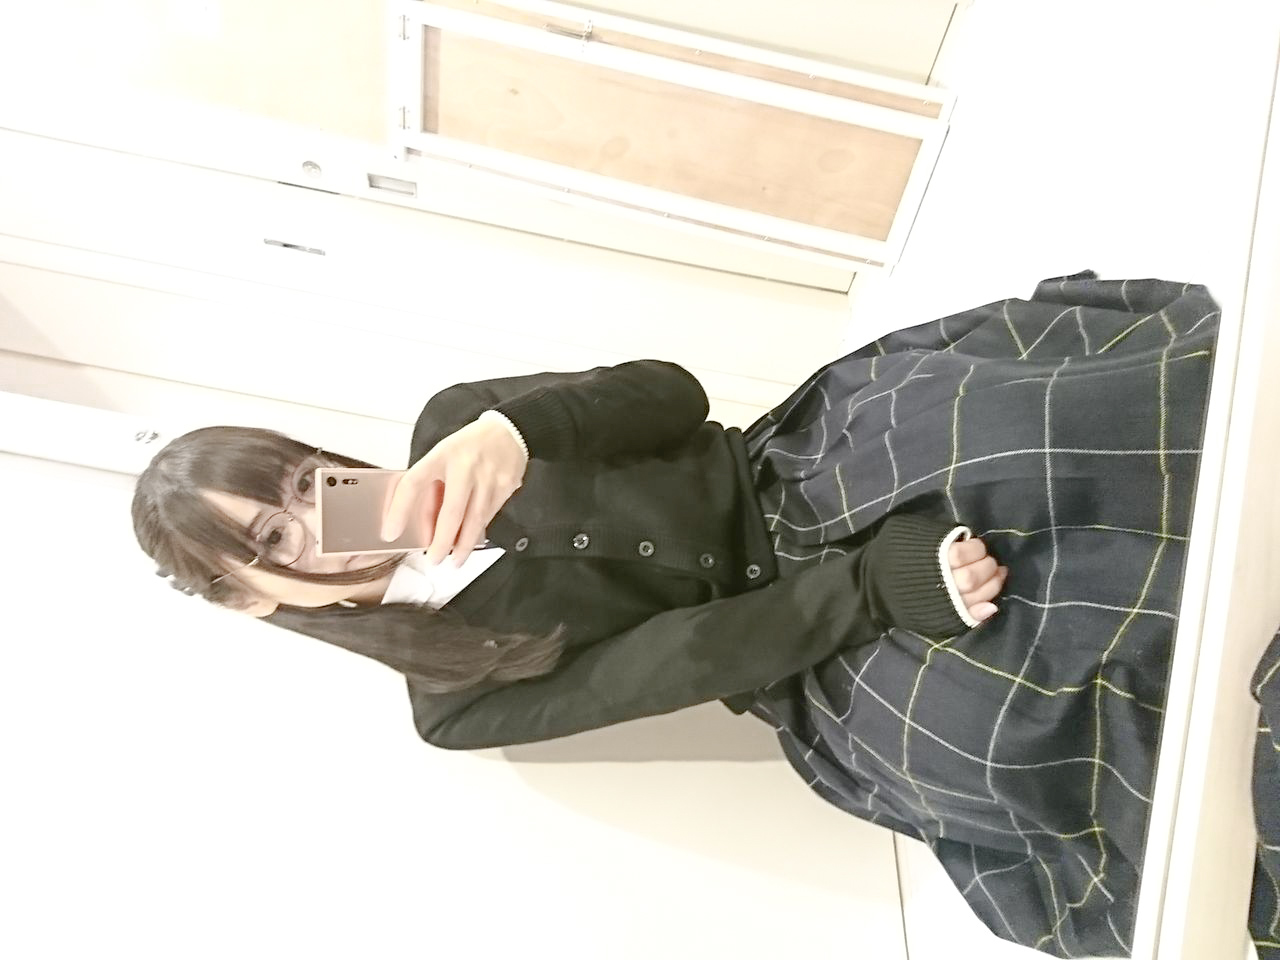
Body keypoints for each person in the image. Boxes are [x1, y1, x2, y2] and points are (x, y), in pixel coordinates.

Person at [132, 272, 1219, 958]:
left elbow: (671, 393)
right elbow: (674, 660)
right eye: (274, 541)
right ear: (251, 599)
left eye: (299, 479)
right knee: (997, 732)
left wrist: (517, 430)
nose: (313, 520)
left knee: (1009, 429)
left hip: (794, 469)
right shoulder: (451, 700)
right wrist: (869, 589)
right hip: (792, 647)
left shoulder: (455, 423)